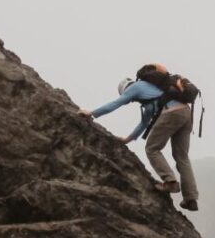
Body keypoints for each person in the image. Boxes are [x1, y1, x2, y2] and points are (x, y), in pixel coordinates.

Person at [80, 65, 199, 211]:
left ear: (126, 88)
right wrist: (128, 139)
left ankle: (170, 181)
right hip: (186, 113)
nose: (130, 100)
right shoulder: (152, 95)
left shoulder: (135, 87)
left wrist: (91, 113)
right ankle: (191, 199)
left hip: (172, 113)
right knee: (182, 157)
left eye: (127, 96)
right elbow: (144, 123)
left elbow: (116, 104)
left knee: (152, 148)